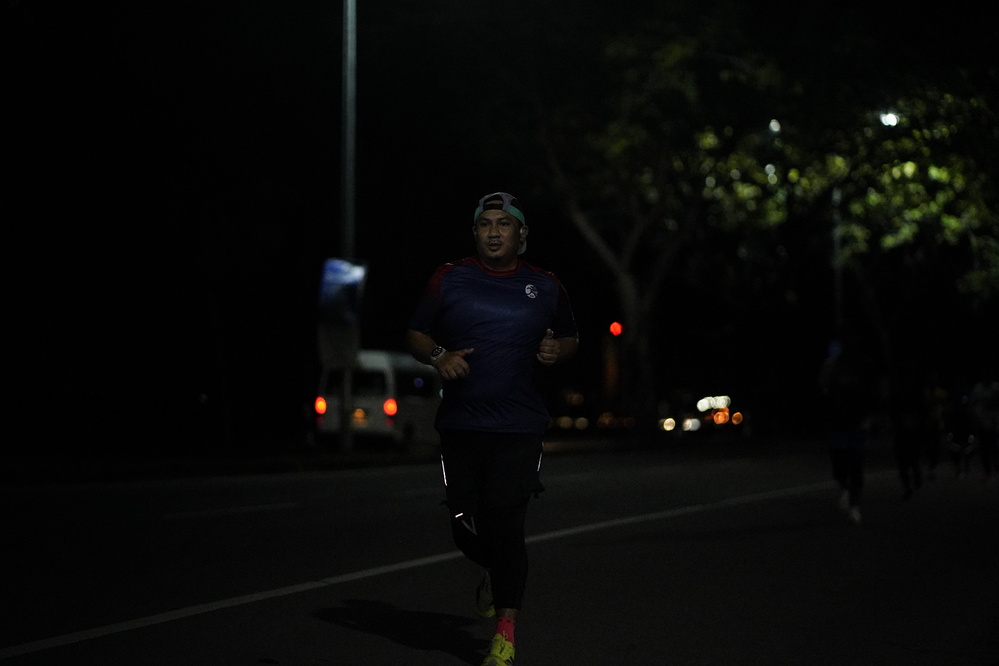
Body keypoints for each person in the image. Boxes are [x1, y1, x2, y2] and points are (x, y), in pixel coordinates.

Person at [406, 191, 579, 666]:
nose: (495, 232)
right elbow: (416, 332)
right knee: (464, 526)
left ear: (522, 234)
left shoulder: (546, 285)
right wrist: (438, 356)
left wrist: (557, 351)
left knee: (507, 526)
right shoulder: (450, 277)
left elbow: (570, 337)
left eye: (504, 223)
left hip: (519, 427)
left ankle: (505, 634)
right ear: (475, 233)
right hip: (461, 425)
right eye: (486, 224)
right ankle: (496, 571)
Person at [818, 338, 877, 524]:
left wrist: (867, 415)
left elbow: (872, 393)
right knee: (839, 461)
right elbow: (824, 390)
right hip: (839, 423)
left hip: (859, 423)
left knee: (857, 464)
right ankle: (844, 488)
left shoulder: (865, 366)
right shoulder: (832, 366)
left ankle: (854, 504)